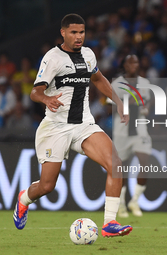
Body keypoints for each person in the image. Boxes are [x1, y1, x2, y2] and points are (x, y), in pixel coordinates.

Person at [13, 13, 132, 237]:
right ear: (63, 33)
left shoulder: (88, 54)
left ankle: (109, 224)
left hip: (83, 125)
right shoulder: (52, 58)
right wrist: (47, 99)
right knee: (47, 186)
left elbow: (98, 79)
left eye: (82, 32)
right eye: (74, 32)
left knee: (116, 164)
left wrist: (117, 101)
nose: (79, 37)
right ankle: (24, 198)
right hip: (56, 127)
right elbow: (35, 91)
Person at [110, 55, 152, 218]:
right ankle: (121, 204)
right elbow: (111, 107)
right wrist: (126, 105)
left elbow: (148, 101)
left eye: (136, 61)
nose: (133, 65)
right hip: (122, 130)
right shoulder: (116, 84)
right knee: (122, 168)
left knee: (145, 162)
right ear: (124, 65)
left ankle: (134, 201)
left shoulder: (145, 84)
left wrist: (146, 107)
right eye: (130, 62)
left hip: (140, 129)